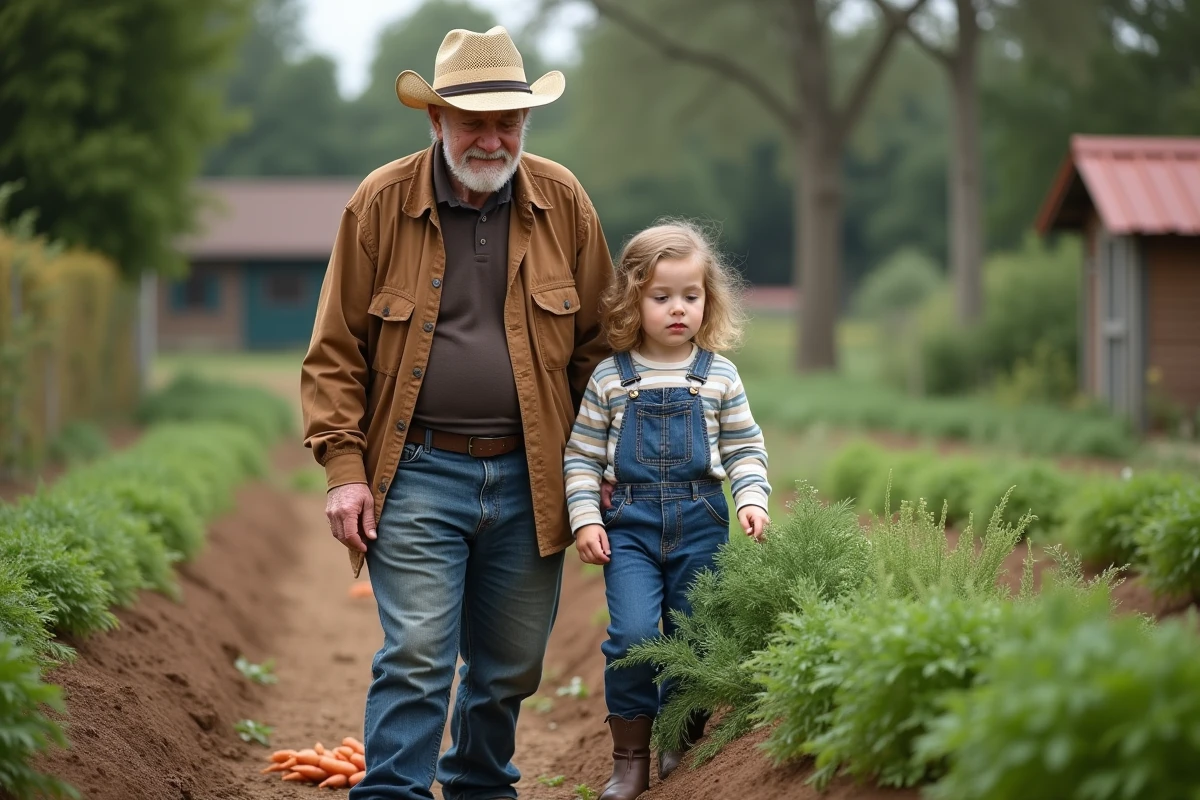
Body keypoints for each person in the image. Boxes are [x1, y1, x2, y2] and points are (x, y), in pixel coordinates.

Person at [299, 25, 613, 800]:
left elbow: (600, 350)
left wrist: (605, 461)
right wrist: (345, 471)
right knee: (416, 653)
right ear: (435, 121)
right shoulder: (380, 203)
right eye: (473, 121)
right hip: (416, 471)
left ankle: (477, 785)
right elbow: (334, 351)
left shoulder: (563, 201)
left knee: (510, 665)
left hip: (533, 473)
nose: (492, 137)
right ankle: (393, 792)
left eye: (508, 121)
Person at [562, 221, 772, 799]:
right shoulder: (611, 378)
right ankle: (628, 760)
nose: (678, 309)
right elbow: (579, 457)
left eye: (691, 296)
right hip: (627, 528)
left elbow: (745, 448)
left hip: (701, 521)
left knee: (694, 635)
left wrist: (751, 499)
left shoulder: (719, 376)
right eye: (662, 297)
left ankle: (679, 741)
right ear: (634, 300)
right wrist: (584, 517)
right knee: (631, 635)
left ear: (709, 299)